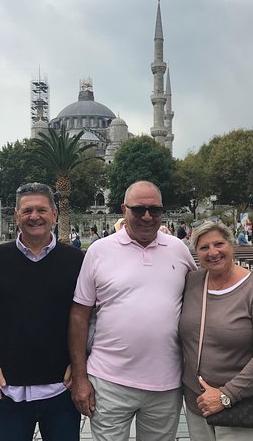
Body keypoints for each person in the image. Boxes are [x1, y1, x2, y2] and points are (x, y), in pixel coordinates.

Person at [68, 180, 197, 441]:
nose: (147, 217)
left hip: (166, 384)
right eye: (139, 210)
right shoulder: (99, 251)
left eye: (155, 210)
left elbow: (201, 299)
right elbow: (79, 315)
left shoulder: (178, 249)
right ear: (123, 210)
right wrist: (80, 377)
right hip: (109, 381)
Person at [0, 182, 84, 440]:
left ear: (55, 214)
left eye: (41, 210)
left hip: (61, 389)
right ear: (16, 216)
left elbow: (87, 318)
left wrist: (80, 366)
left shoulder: (76, 261)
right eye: (27, 211)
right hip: (9, 390)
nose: (34, 216)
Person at [180, 221, 253, 440]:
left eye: (219, 244)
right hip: (198, 403)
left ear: (231, 245)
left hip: (241, 405)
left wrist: (227, 394)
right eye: (204, 247)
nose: (213, 252)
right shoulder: (192, 282)